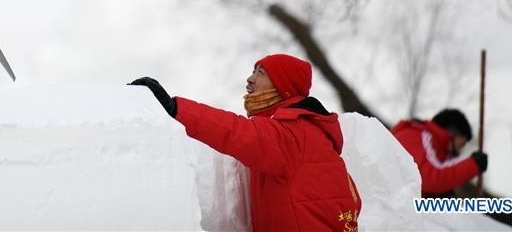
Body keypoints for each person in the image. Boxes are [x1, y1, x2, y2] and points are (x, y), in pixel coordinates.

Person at [130, 54, 362, 231]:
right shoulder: (314, 134)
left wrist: (175, 109)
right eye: (253, 71)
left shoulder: (294, 132)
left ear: (284, 87)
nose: (250, 79)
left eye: (261, 72)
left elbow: (237, 132)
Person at [391, 108, 488, 197]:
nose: (458, 153)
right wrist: (473, 165)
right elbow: (428, 180)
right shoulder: (415, 135)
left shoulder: (425, 142)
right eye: (460, 145)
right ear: (451, 135)